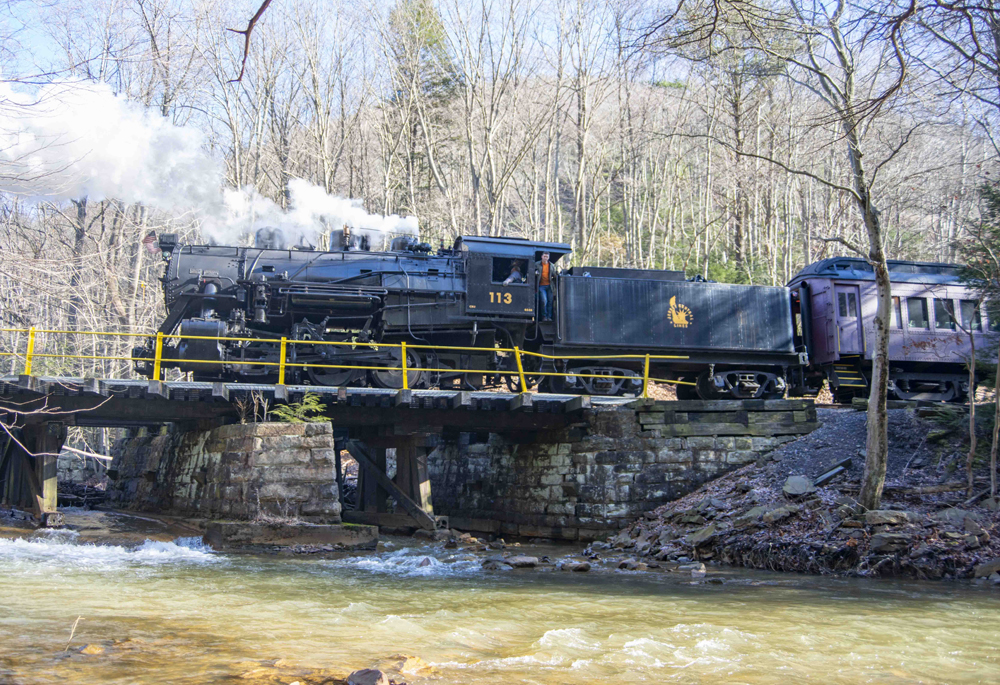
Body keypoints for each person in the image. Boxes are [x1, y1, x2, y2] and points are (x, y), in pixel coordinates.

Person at [535, 251, 554, 321]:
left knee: (550, 301)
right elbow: (533, 271)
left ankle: (549, 317)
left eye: (547, 257)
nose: (545, 258)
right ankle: (544, 316)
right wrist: (535, 272)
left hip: (549, 286)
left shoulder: (551, 265)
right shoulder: (537, 264)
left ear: (548, 258)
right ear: (542, 257)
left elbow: (554, 274)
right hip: (541, 286)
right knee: (544, 301)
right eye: (544, 256)